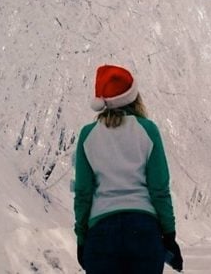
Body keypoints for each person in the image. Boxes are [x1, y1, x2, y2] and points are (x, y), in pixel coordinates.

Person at [73, 64, 183, 273]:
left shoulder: (88, 135)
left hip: (101, 234)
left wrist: (81, 237)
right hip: (144, 232)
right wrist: (169, 234)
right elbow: (159, 189)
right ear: (134, 97)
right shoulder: (147, 130)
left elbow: (83, 193)